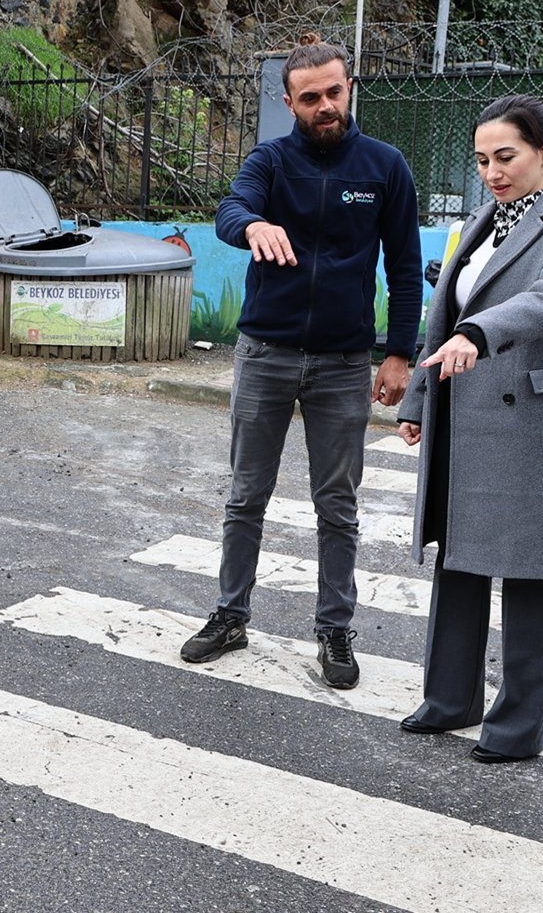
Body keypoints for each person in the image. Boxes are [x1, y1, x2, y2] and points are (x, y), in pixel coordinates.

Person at [178, 37, 422, 690]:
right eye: (310, 97)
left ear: (350, 88)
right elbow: (232, 208)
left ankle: (335, 629)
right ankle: (230, 616)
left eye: (333, 92)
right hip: (266, 353)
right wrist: (252, 226)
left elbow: (405, 267)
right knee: (245, 496)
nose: (325, 106)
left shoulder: (385, 167)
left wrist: (399, 354)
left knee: (337, 505)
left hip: (343, 362)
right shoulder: (270, 161)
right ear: (289, 103)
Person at [394, 94, 543, 763]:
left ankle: (519, 725)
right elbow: (442, 314)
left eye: (505, 157)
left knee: (533, 571)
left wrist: (479, 333)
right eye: (481, 160)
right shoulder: (479, 221)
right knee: (457, 557)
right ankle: (450, 699)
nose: (491, 172)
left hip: (536, 420)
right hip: (463, 411)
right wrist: (417, 399)